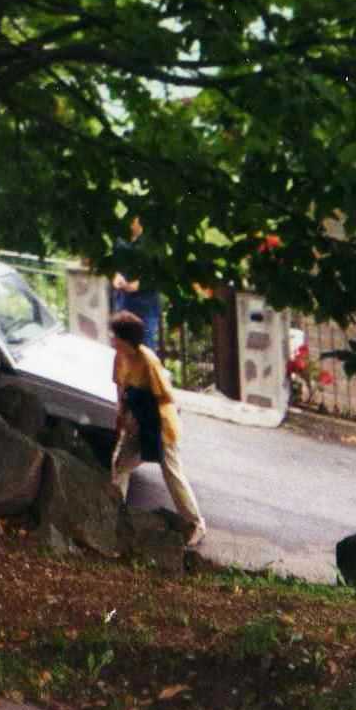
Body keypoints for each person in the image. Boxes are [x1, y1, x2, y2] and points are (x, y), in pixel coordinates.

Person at [110, 308, 206, 549]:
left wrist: (152, 428)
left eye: (115, 336)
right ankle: (114, 514)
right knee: (120, 466)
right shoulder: (119, 358)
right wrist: (122, 415)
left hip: (160, 425)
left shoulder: (148, 361)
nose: (112, 340)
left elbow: (165, 397)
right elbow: (120, 389)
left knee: (172, 474)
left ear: (125, 340)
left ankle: (196, 524)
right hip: (137, 423)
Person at [111, 213, 162, 354]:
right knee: (122, 347)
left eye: (134, 219)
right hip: (123, 304)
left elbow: (160, 273)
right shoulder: (120, 241)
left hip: (146, 306)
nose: (131, 223)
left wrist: (139, 284)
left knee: (145, 348)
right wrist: (115, 277)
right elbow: (114, 266)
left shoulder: (152, 244)